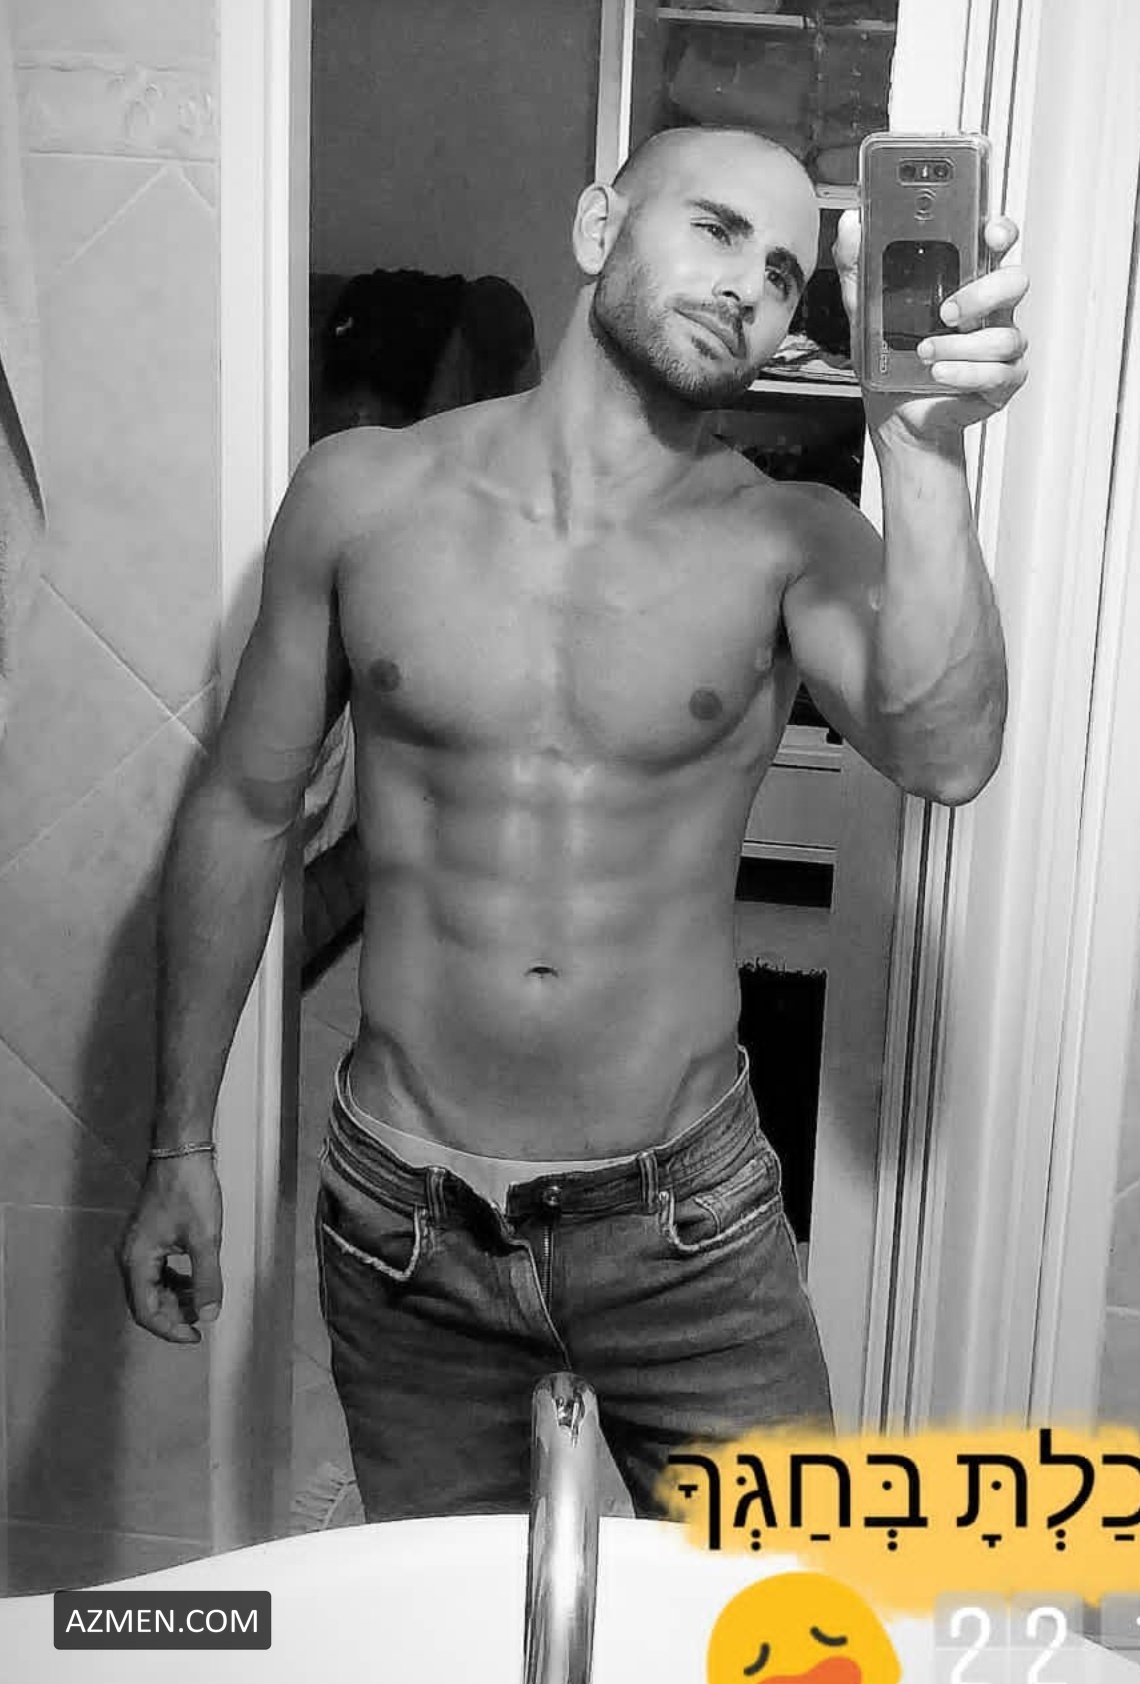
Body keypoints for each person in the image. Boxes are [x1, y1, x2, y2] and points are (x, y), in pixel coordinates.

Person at [117, 126, 1029, 1522]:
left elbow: (950, 754)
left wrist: (922, 450)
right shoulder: (360, 496)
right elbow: (243, 812)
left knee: (788, 1616)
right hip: (407, 1220)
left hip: (687, 1225)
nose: (749, 285)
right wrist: (180, 1142)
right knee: (458, 1619)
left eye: (786, 275)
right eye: (715, 229)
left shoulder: (793, 539)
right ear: (599, 227)